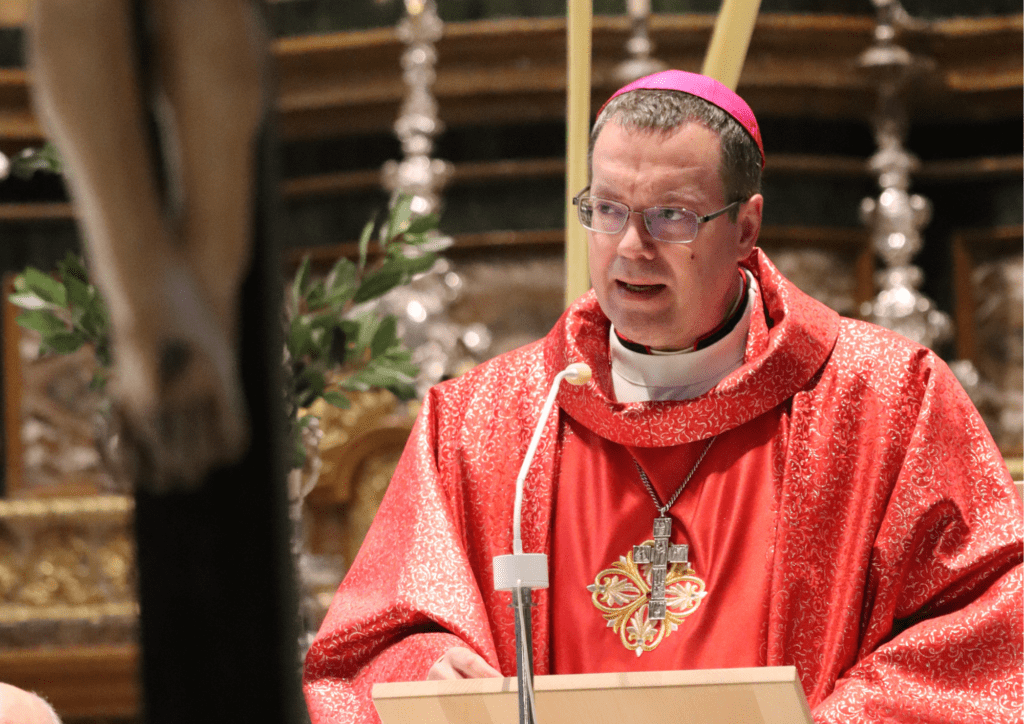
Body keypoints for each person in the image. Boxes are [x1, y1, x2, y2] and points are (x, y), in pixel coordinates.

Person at [303, 70, 1023, 723]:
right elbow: (367, 645)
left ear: (746, 226)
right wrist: (425, 666)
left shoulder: (888, 400)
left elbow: (993, 622)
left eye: (671, 216)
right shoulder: (484, 423)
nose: (630, 247)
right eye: (607, 210)